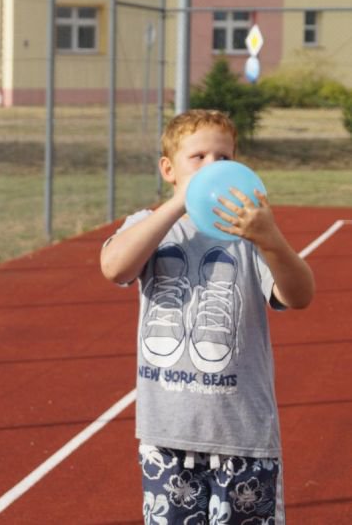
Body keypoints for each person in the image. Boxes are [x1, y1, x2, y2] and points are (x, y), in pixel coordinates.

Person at [100, 109, 314, 524]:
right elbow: (115, 267)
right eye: (198, 157)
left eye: (224, 158)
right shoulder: (149, 225)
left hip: (243, 437)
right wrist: (177, 204)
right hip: (167, 437)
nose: (212, 167)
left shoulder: (249, 237)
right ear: (169, 170)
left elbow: (300, 295)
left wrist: (270, 239)